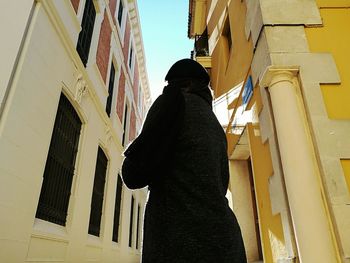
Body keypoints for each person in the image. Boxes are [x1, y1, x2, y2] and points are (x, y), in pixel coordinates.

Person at [121, 59, 247, 263]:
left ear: (185, 86)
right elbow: (221, 185)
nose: (166, 90)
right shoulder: (214, 124)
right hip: (226, 245)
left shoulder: (172, 103)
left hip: (180, 246)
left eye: (171, 85)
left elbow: (133, 174)